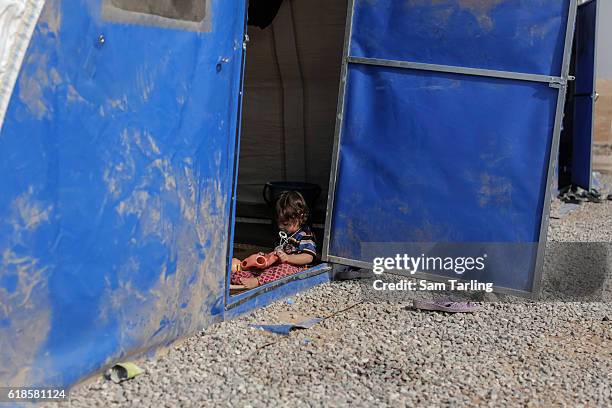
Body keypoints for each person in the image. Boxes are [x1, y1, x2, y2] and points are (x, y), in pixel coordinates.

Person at [231, 191, 316, 288]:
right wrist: (266, 257)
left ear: (299, 217)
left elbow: (309, 257)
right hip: (275, 268)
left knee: (284, 269)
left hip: (296, 269)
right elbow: (276, 253)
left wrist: (288, 258)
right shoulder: (283, 234)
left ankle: (257, 282)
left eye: (285, 223)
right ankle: (238, 277)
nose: (280, 226)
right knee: (256, 269)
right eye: (278, 222)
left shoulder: (304, 234)